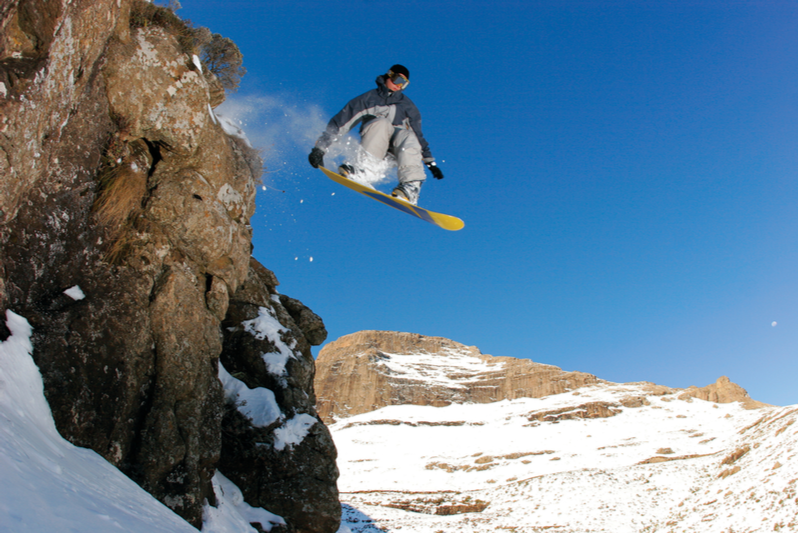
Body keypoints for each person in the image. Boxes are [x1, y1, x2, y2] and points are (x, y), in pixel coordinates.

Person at [308, 64, 443, 205]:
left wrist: (430, 163)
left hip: (398, 151)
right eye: (398, 80)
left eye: (404, 84)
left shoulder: (408, 107)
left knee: (409, 136)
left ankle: (411, 187)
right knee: (381, 123)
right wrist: (320, 148)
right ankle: (366, 168)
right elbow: (341, 123)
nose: (399, 86)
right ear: (389, 75)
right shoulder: (367, 99)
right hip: (376, 145)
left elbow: (418, 137)